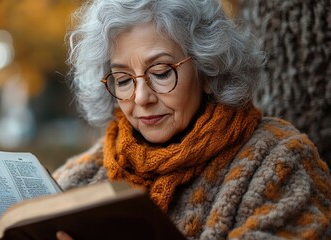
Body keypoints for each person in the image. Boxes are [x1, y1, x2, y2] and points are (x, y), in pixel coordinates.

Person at [52, 0, 331, 239]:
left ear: (208, 70)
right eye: (123, 79)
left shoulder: (280, 161)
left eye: (161, 73)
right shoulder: (83, 174)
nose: (140, 98)